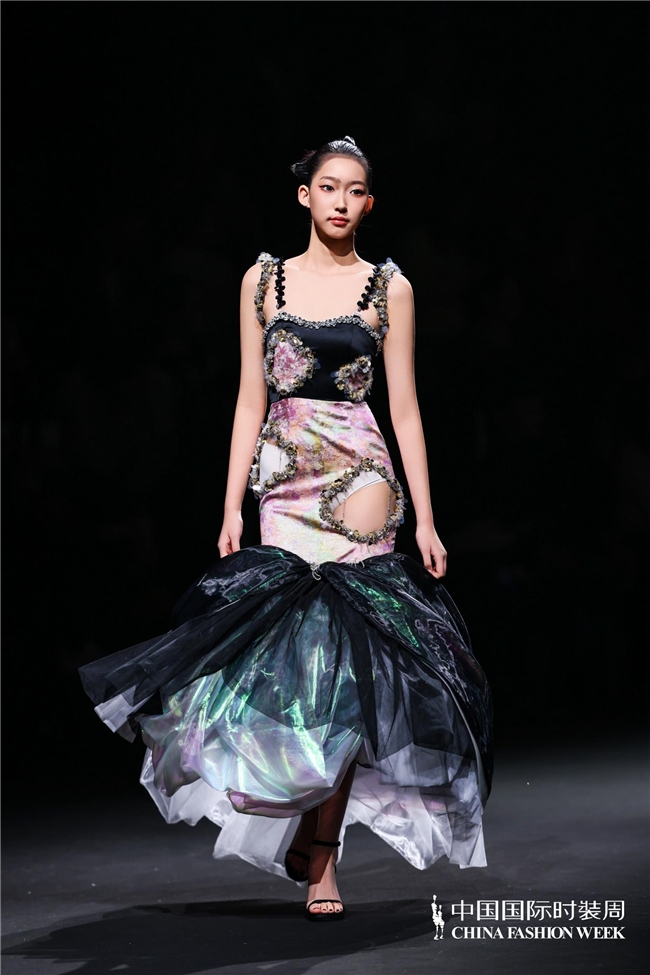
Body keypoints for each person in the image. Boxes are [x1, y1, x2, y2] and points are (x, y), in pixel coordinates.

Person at [79, 136, 493, 923]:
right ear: (305, 194)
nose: (341, 201)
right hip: (284, 481)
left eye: (356, 190)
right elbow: (249, 397)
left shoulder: (390, 288)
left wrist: (429, 517)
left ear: (369, 203)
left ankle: (323, 857)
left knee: (348, 675)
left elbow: (404, 408)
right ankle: (298, 819)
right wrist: (230, 504)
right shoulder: (262, 280)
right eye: (329, 186)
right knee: (289, 665)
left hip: (361, 482)